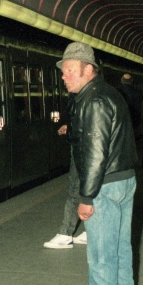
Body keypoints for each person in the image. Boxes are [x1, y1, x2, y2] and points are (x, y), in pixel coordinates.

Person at [56, 42, 137, 285]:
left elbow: (95, 153)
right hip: (124, 180)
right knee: (120, 254)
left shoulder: (93, 100)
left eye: (70, 71)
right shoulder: (107, 93)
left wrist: (86, 197)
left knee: (101, 258)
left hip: (104, 186)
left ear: (89, 70)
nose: (65, 77)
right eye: (64, 72)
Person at [44, 92, 87, 248]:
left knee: (75, 188)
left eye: (70, 71)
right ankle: (91, 230)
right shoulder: (90, 92)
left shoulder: (85, 95)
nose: (64, 76)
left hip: (82, 147)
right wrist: (70, 127)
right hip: (83, 145)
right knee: (87, 188)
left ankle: (65, 234)